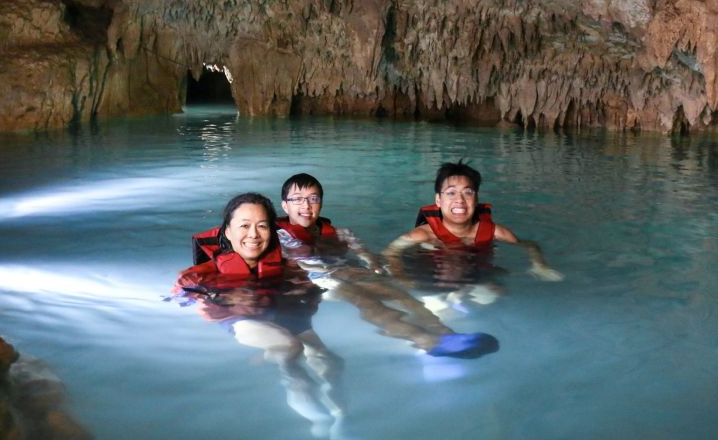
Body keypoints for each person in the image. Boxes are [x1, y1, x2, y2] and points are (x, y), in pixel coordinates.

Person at [274, 173, 499, 359]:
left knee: (400, 295)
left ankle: (446, 333)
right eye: (297, 199)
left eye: (313, 198)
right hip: (317, 280)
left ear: (321, 202)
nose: (306, 205)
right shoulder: (281, 236)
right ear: (285, 205)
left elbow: (360, 249)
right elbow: (295, 263)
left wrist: (372, 264)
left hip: (347, 271)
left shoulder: (339, 232)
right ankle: (424, 339)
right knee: (365, 300)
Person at [175, 193, 344, 439]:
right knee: (290, 347)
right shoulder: (200, 275)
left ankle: (341, 418)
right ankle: (318, 424)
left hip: (277, 312)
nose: (253, 234)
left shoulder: (286, 267)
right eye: (244, 226)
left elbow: (311, 292)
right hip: (238, 319)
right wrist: (222, 300)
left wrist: (308, 290)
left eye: (262, 226)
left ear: (272, 232)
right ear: (228, 232)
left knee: (330, 360)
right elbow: (181, 301)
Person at [383, 161, 564, 282]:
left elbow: (530, 245)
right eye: (451, 193)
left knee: (496, 290)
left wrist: (539, 266)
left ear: (476, 199)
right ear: (438, 200)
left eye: (468, 192)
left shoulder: (495, 232)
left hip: (476, 273)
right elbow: (390, 252)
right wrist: (402, 279)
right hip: (433, 275)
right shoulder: (423, 234)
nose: (460, 200)